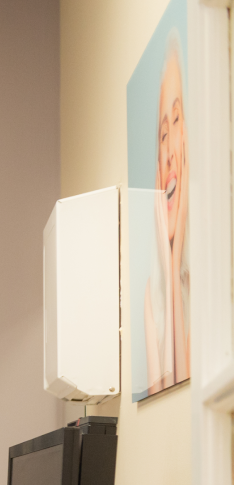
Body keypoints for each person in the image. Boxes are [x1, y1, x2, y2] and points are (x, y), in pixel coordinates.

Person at [144, 35, 189, 396]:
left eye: (177, 120)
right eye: (162, 134)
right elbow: (164, 391)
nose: (170, 150)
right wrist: (169, 270)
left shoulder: (215, 284)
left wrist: (175, 272)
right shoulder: (151, 298)